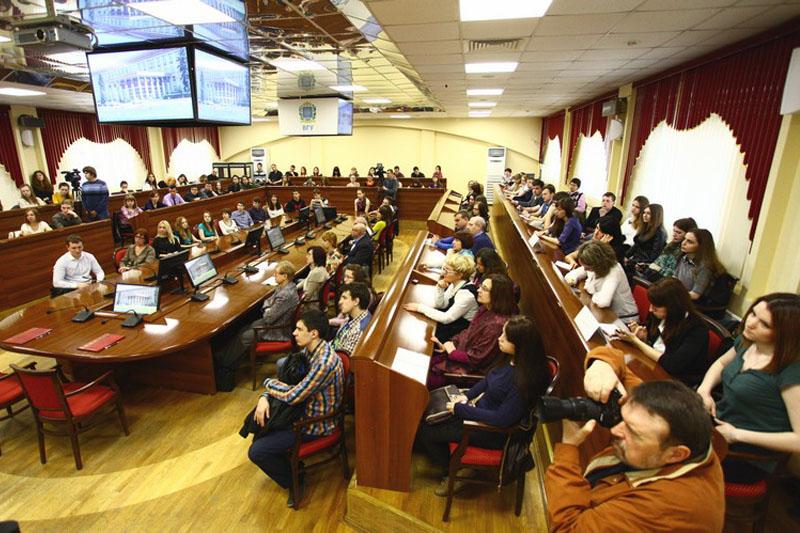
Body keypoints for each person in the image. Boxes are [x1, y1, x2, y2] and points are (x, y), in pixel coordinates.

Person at [545, 345, 724, 532]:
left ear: (676, 454)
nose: (615, 430)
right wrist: (602, 364)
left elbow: (568, 529)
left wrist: (567, 450)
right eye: (624, 419)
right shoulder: (659, 420)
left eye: (633, 432)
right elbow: (615, 356)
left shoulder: (661, 508)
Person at [418, 315, 550, 495]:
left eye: (505, 337)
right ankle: (454, 464)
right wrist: (466, 397)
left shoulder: (523, 381)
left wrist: (461, 409)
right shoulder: (510, 359)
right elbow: (488, 380)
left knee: (427, 431)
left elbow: (502, 419)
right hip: (477, 410)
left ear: (519, 345)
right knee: (428, 418)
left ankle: (455, 471)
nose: (499, 339)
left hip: (490, 431)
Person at [697, 293, 800, 484]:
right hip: (718, 429)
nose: (750, 323)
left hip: (748, 456)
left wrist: (736, 435)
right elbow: (721, 364)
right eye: (753, 313)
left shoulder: (791, 371)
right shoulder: (748, 342)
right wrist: (705, 389)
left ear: (785, 334)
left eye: (765, 324)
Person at [247, 309, 343, 506]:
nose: (294, 333)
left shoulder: (324, 362)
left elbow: (293, 395)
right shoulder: (309, 351)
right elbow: (287, 381)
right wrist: (264, 397)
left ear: (314, 333)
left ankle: (295, 479)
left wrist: (267, 384)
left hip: (313, 425)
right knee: (258, 429)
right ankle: (292, 468)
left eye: (299, 329)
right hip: (299, 413)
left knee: (257, 451)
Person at [614, 278, 710, 386]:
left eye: (655, 307)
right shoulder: (659, 315)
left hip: (676, 381)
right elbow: (655, 347)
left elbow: (672, 365)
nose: (650, 310)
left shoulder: (697, 329)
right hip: (653, 366)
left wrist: (636, 341)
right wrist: (644, 339)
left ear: (673, 306)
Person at [428, 273, 518, 388]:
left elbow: (477, 359)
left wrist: (452, 351)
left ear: (497, 294)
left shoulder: (497, 324)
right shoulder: (485, 308)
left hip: (466, 371)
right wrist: (450, 343)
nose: (478, 290)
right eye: (480, 286)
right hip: (455, 356)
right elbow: (467, 333)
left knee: (419, 378)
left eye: (485, 289)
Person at [404, 253, 479, 343]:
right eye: (444, 269)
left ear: (459, 275)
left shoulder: (466, 295)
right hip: (452, 323)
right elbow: (441, 305)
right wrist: (440, 288)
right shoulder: (455, 283)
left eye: (447, 271)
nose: (443, 273)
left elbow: (446, 318)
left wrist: (419, 308)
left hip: (458, 333)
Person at [565, 241, 639, 320]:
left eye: (588, 268)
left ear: (597, 264)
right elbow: (571, 275)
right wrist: (572, 280)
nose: (585, 269)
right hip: (605, 312)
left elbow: (603, 302)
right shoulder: (593, 266)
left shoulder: (614, 270)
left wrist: (590, 288)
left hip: (625, 318)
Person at [673, 228, 726, 302]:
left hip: (690, 301)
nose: (683, 243)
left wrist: (673, 293)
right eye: (684, 239)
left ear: (701, 246)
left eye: (690, 242)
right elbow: (674, 278)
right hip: (679, 295)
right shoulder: (683, 257)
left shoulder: (705, 266)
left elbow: (695, 295)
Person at [297, 246, 329, 311]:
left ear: (316, 256)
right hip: (316, 299)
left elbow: (306, 297)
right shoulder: (319, 268)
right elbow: (307, 279)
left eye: (309, 254)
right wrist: (295, 288)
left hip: (311, 306)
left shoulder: (316, 273)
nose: (306, 256)